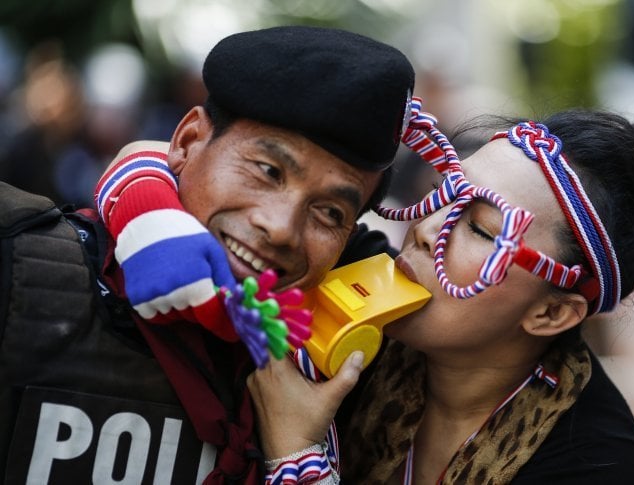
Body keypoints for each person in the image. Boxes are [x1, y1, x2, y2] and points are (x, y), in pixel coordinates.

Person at [0, 25, 421, 484]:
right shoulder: (20, 262)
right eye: (267, 170)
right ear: (186, 142)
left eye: (329, 212)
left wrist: (298, 454)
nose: (280, 228)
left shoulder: (346, 366)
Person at [246, 109, 634, 484]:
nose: (427, 230)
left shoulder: (593, 458)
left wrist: (297, 456)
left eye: (480, 229)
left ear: (551, 312)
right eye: (443, 194)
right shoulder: (360, 281)